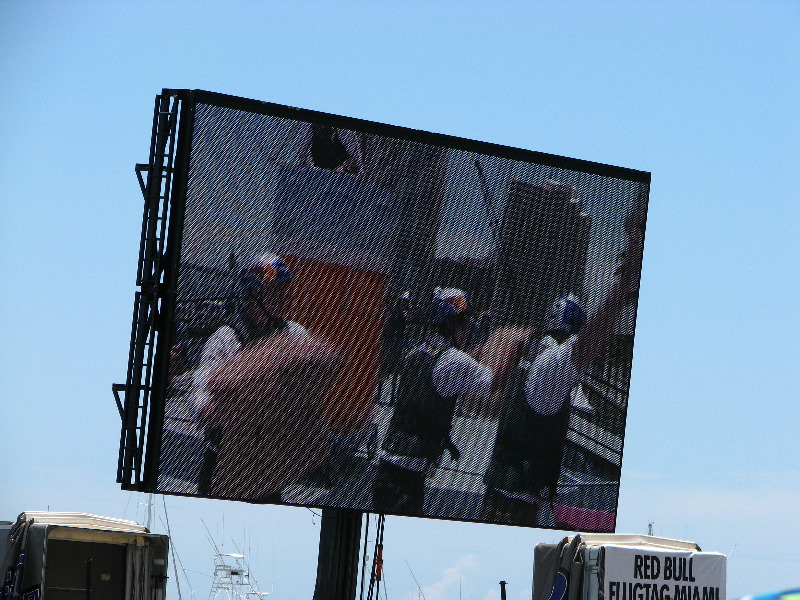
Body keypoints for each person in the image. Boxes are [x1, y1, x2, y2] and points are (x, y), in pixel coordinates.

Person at [482, 199, 647, 525]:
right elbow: (587, 346)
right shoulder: (551, 369)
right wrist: (621, 291)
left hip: (502, 499)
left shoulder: (532, 356)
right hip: (515, 511)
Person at [193, 252, 340, 501]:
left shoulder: (292, 333)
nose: (282, 298)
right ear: (255, 294)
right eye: (275, 291)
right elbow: (201, 397)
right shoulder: (227, 338)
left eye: (283, 291)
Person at [372, 287, 523, 514]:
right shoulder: (454, 360)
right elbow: (495, 382)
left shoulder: (418, 352)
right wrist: (514, 343)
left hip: (390, 468)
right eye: (463, 322)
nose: (467, 328)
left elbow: (445, 373)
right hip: (407, 478)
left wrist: (472, 355)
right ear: (451, 323)